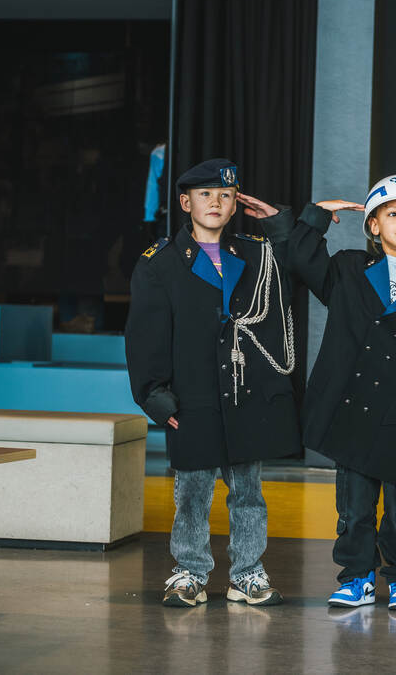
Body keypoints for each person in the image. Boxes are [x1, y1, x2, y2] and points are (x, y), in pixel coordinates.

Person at [238, 174, 396, 612]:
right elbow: (300, 259)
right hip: (352, 406)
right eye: (392, 214)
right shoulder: (347, 269)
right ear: (374, 225)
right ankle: (357, 576)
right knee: (354, 506)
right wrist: (314, 217)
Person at [125, 158, 302, 608]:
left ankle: (246, 573)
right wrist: (156, 398)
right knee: (192, 494)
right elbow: (145, 338)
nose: (216, 203)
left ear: (235, 204)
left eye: (225, 196)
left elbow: (293, 264)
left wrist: (281, 224)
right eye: (205, 195)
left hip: (245, 394)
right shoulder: (160, 263)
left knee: (248, 494)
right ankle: (190, 571)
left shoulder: (256, 253)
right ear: (186, 202)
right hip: (192, 397)